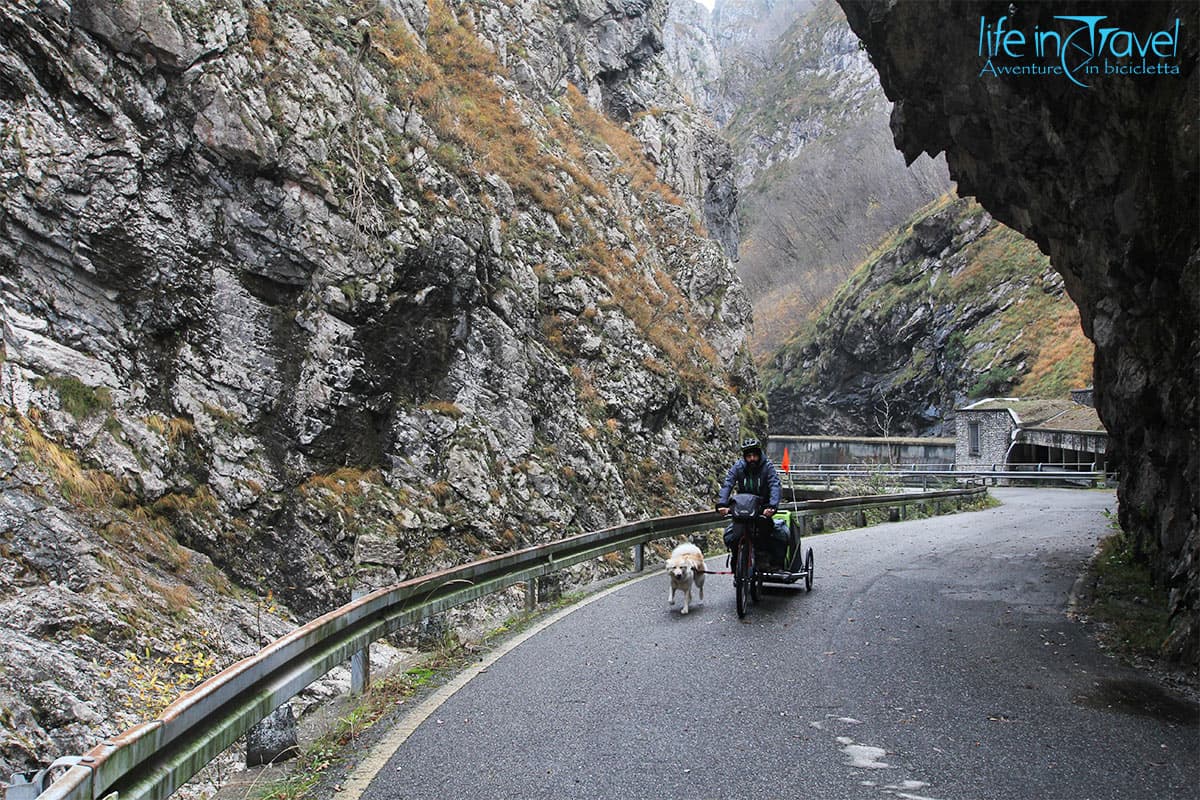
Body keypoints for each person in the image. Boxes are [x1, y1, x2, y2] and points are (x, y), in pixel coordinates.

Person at [716, 438, 784, 564]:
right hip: (743, 507)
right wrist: (722, 504)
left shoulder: (767, 467)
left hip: (762, 508)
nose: (752, 458)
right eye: (748, 456)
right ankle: (736, 559)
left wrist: (772, 506)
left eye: (754, 455)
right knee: (735, 536)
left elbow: (775, 485)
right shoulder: (738, 467)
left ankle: (764, 557)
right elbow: (728, 484)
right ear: (744, 457)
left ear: (759, 454)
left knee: (765, 532)